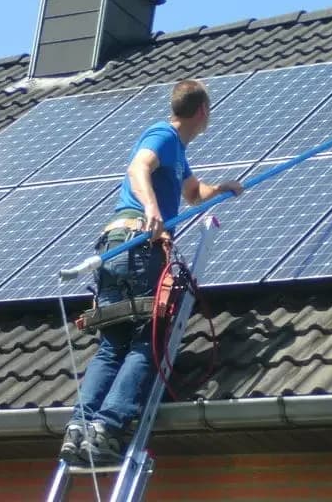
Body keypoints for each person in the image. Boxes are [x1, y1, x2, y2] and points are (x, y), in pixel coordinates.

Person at [59, 79, 243, 465]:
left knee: (113, 346)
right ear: (203, 112)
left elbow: (192, 193)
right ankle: (107, 427)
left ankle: (79, 427)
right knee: (147, 342)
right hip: (137, 245)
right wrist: (153, 209)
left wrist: (221, 188)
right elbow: (138, 167)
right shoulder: (162, 135)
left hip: (115, 250)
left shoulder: (179, 154)